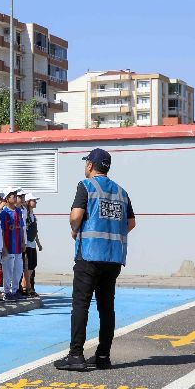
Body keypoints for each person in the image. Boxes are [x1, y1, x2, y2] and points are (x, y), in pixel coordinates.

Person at [55, 148, 136, 372]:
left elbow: (76, 216)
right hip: (113, 258)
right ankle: (102, 356)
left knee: (81, 304)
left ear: (90, 165)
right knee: (106, 307)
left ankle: (76, 355)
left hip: (89, 255)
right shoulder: (121, 192)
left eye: (86, 163)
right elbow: (131, 223)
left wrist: (75, 230)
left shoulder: (86, 186)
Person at [0, 188, 25, 301]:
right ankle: (7, 292)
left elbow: (22, 228)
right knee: (8, 270)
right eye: (12, 196)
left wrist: (23, 242)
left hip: (18, 247)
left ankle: (15, 291)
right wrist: (4, 247)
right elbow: (2, 231)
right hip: (8, 246)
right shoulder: (4, 212)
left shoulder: (19, 211)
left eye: (15, 195)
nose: (15, 197)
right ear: (7, 198)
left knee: (18, 270)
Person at [23, 194, 43, 296]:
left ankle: (29, 287)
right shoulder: (25, 214)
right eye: (33, 200)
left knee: (32, 265)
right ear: (27, 202)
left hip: (32, 243)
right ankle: (26, 287)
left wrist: (38, 243)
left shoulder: (33, 215)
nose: (35, 202)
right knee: (27, 267)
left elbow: (35, 231)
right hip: (26, 243)